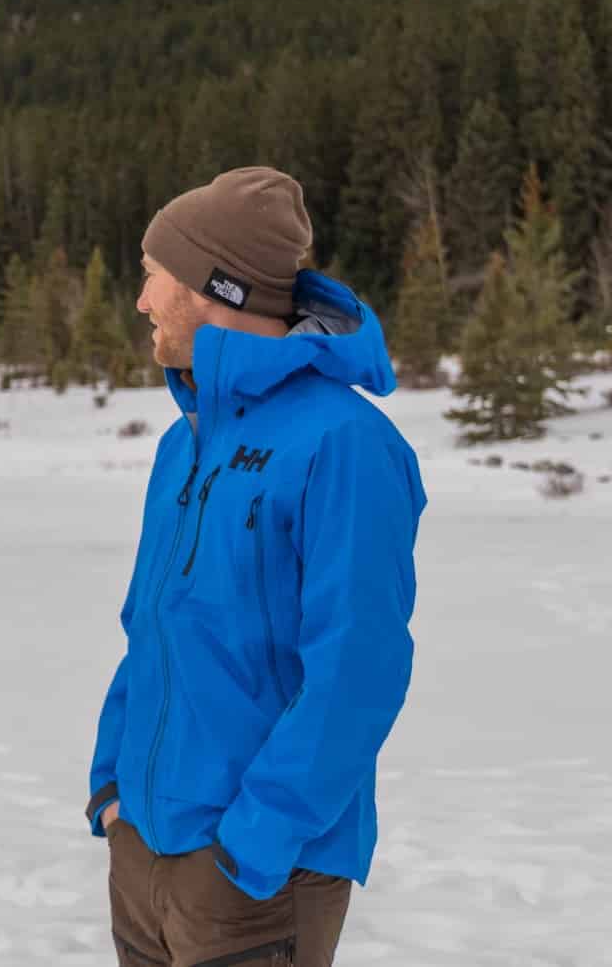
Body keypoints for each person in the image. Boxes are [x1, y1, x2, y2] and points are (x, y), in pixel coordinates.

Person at [85, 167, 425, 967]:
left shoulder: (345, 446)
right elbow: (151, 630)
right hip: (145, 852)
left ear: (215, 288)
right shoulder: (185, 441)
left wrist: (252, 845)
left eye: (152, 276)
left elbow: (357, 672)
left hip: (254, 877)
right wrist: (112, 790)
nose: (140, 300)